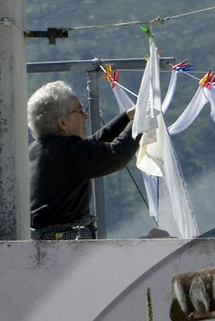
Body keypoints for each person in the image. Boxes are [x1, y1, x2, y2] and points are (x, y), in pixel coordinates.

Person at [28, 78, 141, 239]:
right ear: (63, 123)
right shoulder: (67, 150)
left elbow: (93, 143)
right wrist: (140, 122)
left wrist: (127, 117)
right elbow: (116, 154)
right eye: (80, 111)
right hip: (65, 246)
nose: (86, 116)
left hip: (44, 242)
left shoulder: (39, 148)